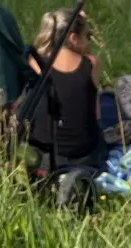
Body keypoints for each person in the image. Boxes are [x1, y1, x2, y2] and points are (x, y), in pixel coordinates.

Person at [25, 10, 106, 173]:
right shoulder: (91, 63)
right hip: (84, 154)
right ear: (73, 38)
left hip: (44, 154)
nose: (88, 41)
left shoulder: (34, 61)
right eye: (87, 36)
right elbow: (95, 112)